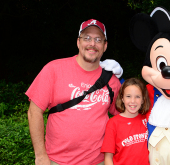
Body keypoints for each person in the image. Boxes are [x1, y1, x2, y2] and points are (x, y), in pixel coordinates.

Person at [26, 19, 123, 165]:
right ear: (78, 42)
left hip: (98, 161)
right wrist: (40, 156)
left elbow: (125, 115)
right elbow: (34, 112)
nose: (92, 44)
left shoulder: (111, 80)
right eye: (87, 38)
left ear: (105, 46)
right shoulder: (54, 69)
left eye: (98, 39)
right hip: (56, 161)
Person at [101, 78, 150, 165]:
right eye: (128, 96)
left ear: (143, 100)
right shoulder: (113, 123)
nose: (133, 101)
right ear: (122, 98)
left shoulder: (148, 120)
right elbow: (108, 157)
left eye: (137, 97)